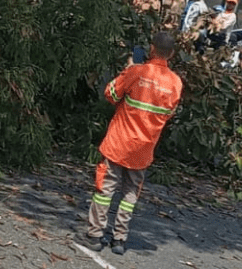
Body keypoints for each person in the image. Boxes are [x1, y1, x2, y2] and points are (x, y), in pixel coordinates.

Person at [78, 32, 183, 255]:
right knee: (130, 195)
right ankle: (119, 239)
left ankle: (95, 235)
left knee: (105, 189)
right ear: (172, 54)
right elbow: (170, 113)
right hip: (143, 150)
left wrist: (126, 71)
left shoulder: (137, 72)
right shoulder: (175, 83)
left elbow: (111, 93)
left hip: (119, 143)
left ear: (151, 49)